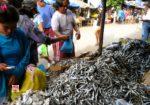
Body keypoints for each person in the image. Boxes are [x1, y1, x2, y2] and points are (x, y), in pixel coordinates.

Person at [6, 0, 69, 65]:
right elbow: (44, 39)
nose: (34, 12)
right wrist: (60, 38)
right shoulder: (25, 21)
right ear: (30, 9)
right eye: (34, 9)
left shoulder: (16, 19)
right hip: (27, 61)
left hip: (13, 60)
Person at [0, 3, 30, 103]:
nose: (10, 31)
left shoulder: (19, 34)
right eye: (6, 27)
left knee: (16, 100)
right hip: (2, 83)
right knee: (4, 101)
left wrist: (17, 73)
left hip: (16, 78)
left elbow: (26, 54)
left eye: (13, 27)